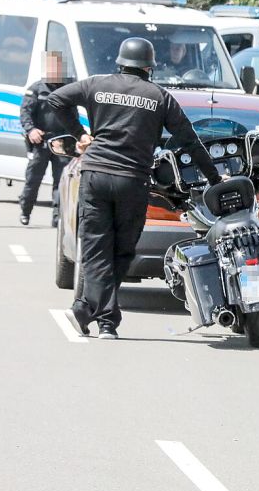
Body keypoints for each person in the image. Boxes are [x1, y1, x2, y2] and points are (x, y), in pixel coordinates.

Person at [49, 37, 221, 340]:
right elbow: (189, 138)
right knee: (122, 250)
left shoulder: (96, 84)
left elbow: (55, 100)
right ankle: (104, 319)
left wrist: (80, 133)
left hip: (96, 175)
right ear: (149, 68)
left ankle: (87, 309)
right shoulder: (158, 96)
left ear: (119, 63)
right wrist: (214, 178)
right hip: (132, 180)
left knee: (96, 248)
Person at [19, 50, 73, 227]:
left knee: (61, 182)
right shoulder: (35, 89)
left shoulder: (68, 89)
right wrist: (31, 130)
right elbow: (25, 113)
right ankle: (25, 211)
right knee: (33, 180)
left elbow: (73, 117)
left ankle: (57, 218)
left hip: (61, 142)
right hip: (41, 142)